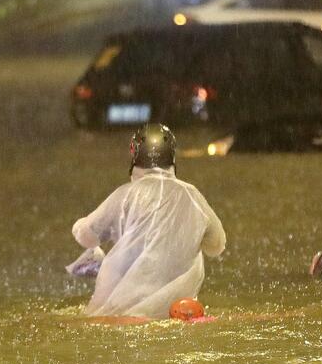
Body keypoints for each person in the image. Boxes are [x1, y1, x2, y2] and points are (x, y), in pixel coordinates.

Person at [71, 123, 226, 319]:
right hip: (178, 310)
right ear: (172, 155)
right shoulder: (192, 195)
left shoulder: (125, 195)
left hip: (123, 312)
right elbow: (217, 246)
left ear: (135, 154)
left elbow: (86, 236)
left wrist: (78, 226)